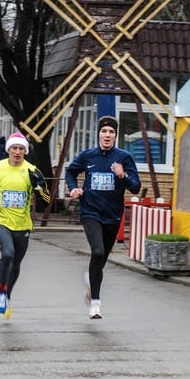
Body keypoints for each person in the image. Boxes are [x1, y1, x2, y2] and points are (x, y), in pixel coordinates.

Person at [65, 115, 141, 319]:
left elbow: (136, 187)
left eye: (111, 132)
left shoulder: (123, 157)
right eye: (104, 131)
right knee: (97, 252)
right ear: (98, 133)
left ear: (116, 135)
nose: (107, 135)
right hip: (90, 211)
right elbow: (70, 172)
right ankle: (96, 304)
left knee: (101, 259)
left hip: (113, 215)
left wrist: (123, 175)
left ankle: (91, 280)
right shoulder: (88, 155)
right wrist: (73, 189)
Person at [0, 132, 49, 318]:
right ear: (8, 150)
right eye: (14, 148)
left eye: (21, 149)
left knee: (16, 264)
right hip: (1, 221)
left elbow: (47, 197)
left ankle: (6, 294)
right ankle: (1, 291)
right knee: (7, 254)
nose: (17, 152)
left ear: (25, 151)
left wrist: (39, 187)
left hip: (23, 224)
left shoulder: (32, 170)